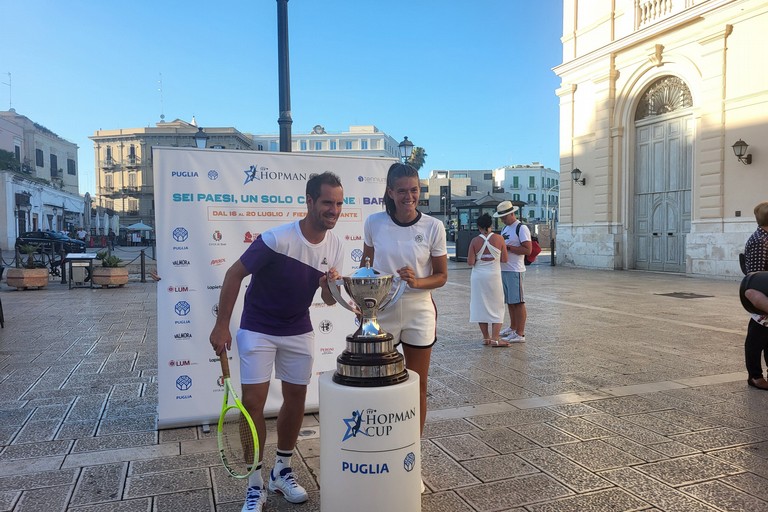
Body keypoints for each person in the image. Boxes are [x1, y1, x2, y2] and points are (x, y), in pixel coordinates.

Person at [209, 172, 344, 512]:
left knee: (296, 399)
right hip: (258, 328)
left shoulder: (336, 246)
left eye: (339, 203)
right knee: (253, 403)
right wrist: (221, 325)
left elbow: (329, 300)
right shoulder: (276, 239)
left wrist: (329, 286)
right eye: (327, 202)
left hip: (298, 328)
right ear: (309, 201)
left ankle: (281, 471)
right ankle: (254, 485)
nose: (334, 210)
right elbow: (234, 274)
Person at [362, 163, 447, 447]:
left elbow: (441, 276)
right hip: (382, 309)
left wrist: (416, 281)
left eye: (414, 190)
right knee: (376, 381)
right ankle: (381, 443)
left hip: (418, 309)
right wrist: (360, 296)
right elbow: (365, 268)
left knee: (418, 383)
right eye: (402, 191)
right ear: (390, 192)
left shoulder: (433, 226)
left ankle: (412, 448)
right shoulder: (374, 223)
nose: (409, 197)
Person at [468, 213, 508, 346]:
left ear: (478, 226)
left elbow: (470, 262)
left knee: (481, 305)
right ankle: (495, 338)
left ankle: (486, 337)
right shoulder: (499, 239)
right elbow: (505, 259)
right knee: (497, 305)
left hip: (478, 276)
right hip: (494, 275)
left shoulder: (475, 241)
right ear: (491, 225)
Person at [493, 201, 531, 343]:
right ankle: (513, 327)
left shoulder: (521, 228)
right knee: (511, 301)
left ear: (511, 214)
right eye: (501, 217)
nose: (502, 220)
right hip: (505, 269)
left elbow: (527, 249)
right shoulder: (505, 229)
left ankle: (520, 333)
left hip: (515, 270)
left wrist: (508, 248)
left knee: (518, 302)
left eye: (504, 217)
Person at [743, 201, 768, 390]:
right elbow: (757, 277)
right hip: (762, 296)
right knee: (756, 338)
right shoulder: (761, 240)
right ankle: (755, 376)